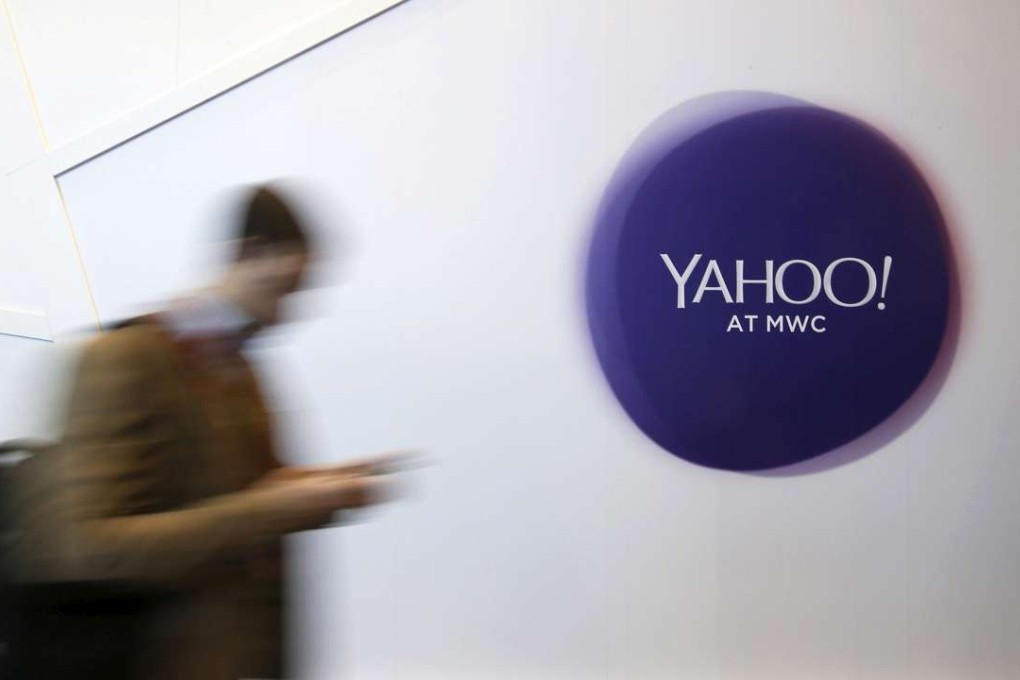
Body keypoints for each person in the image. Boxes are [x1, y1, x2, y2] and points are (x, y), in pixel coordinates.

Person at [7, 185, 401, 679]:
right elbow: (85, 546)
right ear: (250, 253)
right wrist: (273, 509)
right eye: (283, 289)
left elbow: (238, 492)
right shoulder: (121, 360)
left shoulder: (240, 367)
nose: (288, 312)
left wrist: (314, 490)